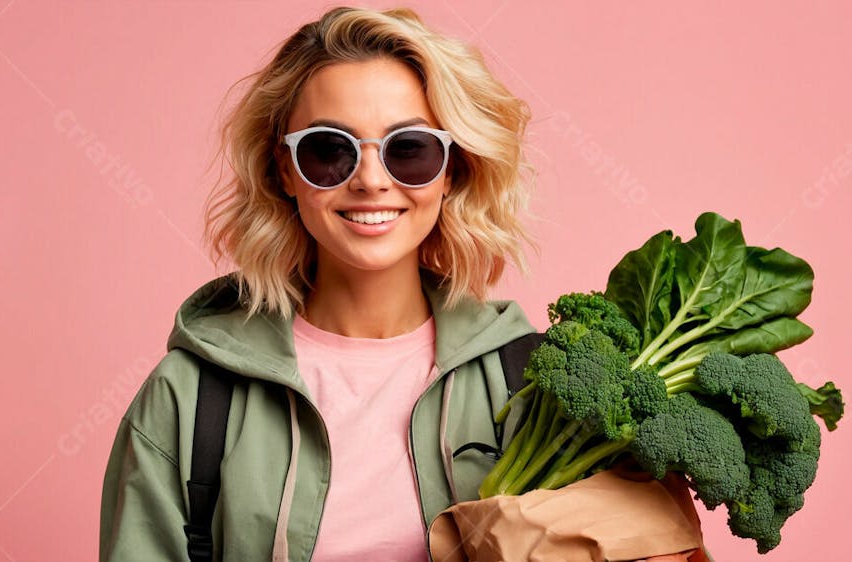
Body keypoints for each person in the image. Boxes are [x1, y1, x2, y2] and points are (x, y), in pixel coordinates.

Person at [99, 6, 704, 561]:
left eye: (408, 150)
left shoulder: (535, 390)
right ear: (285, 169)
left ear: (452, 170)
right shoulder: (190, 395)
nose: (369, 181)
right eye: (328, 151)